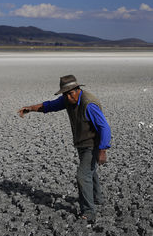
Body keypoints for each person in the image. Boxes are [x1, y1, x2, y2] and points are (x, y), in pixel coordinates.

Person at [18, 75, 111, 222]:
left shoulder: (89, 104)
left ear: (78, 89)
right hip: (82, 143)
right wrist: (30, 108)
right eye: (65, 94)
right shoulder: (67, 99)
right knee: (89, 171)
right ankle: (97, 198)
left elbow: (104, 127)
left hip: (93, 144)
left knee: (83, 175)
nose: (68, 97)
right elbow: (49, 106)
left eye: (71, 93)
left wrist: (102, 150)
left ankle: (89, 211)